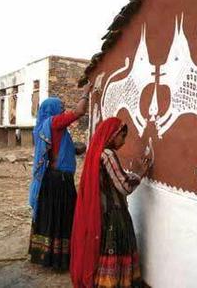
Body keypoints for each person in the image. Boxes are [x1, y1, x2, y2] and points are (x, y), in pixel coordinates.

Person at [70, 117, 152, 288]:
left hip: (102, 210)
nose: (123, 142)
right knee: (117, 244)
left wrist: (132, 175)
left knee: (104, 248)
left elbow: (114, 177)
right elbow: (124, 186)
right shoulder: (107, 154)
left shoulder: (96, 152)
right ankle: (115, 282)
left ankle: (105, 281)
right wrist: (140, 173)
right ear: (113, 135)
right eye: (122, 137)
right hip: (113, 212)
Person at [28, 82, 93, 270]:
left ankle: (46, 255)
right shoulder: (54, 123)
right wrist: (85, 93)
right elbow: (79, 112)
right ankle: (58, 259)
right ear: (52, 110)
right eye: (61, 107)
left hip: (51, 179)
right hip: (59, 181)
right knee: (62, 217)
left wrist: (83, 147)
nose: (63, 109)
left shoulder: (44, 127)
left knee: (51, 217)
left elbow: (63, 148)